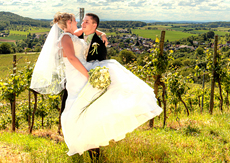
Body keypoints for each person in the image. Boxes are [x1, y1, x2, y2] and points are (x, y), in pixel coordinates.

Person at [30, 12, 162, 157]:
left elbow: (91, 29)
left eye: (83, 21)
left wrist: (102, 33)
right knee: (82, 108)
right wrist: (88, 75)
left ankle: (93, 141)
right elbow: (72, 58)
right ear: (69, 23)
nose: (79, 23)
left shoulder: (73, 34)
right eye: (76, 20)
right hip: (79, 74)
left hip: (82, 71)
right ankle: (86, 142)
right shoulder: (66, 37)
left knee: (95, 104)